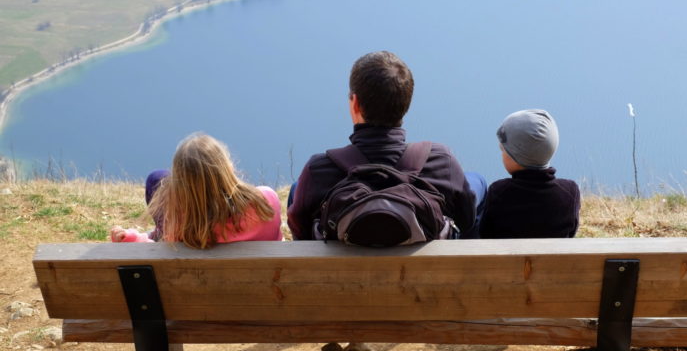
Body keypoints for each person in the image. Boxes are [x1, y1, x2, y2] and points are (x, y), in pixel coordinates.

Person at [287, 51, 482, 241]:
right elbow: (466, 220)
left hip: (342, 273)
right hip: (427, 272)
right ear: (406, 104)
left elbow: (301, 231)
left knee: (297, 190)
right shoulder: (441, 160)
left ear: (355, 103)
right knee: (477, 181)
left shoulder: (319, 169)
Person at [111, 133, 283, 248]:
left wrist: (132, 238)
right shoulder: (267, 202)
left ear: (179, 185)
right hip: (265, 295)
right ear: (227, 168)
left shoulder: (182, 229)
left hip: (200, 297)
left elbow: (158, 252)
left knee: (157, 179)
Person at [478, 109, 580, 238]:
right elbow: (571, 233)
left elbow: (485, 233)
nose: (501, 154)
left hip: (506, 258)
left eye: (503, 150)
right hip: (553, 258)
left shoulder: (498, 191)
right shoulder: (570, 192)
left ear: (517, 156)